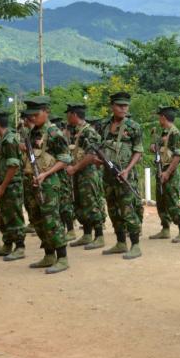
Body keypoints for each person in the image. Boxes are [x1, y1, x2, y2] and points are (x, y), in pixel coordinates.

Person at [22, 97, 72, 274]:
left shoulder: (53, 133)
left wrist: (46, 174)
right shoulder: (32, 132)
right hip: (32, 181)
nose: (33, 118)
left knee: (51, 219)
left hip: (49, 183)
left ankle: (62, 257)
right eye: (31, 115)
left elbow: (65, 158)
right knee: (37, 219)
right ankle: (49, 254)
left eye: (36, 114)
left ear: (46, 112)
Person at [97, 92, 144, 259]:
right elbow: (98, 147)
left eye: (126, 106)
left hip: (125, 175)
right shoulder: (102, 125)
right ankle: (120, 242)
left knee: (127, 209)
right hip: (108, 175)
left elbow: (138, 151)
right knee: (113, 209)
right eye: (120, 105)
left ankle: (135, 244)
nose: (124, 108)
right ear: (112, 107)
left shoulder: (133, 127)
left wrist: (128, 169)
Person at [65, 103, 107, 250]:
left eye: (68, 114)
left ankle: (99, 236)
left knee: (91, 203)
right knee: (81, 204)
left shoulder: (89, 132)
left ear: (74, 115)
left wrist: (75, 168)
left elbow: (91, 155)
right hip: (79, 173)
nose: (67, 117)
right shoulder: (78, 131)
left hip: (88, 174)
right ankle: (87, 234)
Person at [0, 109, 25, 259]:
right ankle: (8, 244)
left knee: (14, 215)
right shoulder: (4, 139)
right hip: (5, 183)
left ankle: (20, 247)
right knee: (5, 216)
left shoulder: (9, 140)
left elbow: (13, 165)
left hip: (12, 185)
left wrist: (3, 186)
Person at [149, 106, 180, 243]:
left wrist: (167, 172)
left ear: (164, 118)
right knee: (161, 200)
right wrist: (154, 148)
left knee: (172, 201)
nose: (159, 119)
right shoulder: (164, 133)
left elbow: (177, 156)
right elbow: (162, 150)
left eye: (159, 117)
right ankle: (165, 228)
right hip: (161, 169)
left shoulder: (176, 133)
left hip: (169, 171)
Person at [51, 115, 77, 242]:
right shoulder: (58, 137)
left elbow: (66, 158)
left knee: (65, 203)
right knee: (60, 204)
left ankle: (71, 230)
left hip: (63, 174)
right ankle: (63, 228)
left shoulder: (60, 138)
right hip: (57, 174)